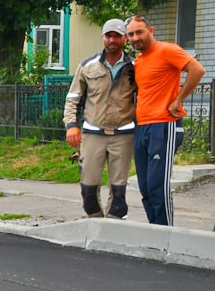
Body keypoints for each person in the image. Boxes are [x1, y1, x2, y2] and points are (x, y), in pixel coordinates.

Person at [125, 15, 206, 226]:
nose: (135, 38)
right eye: (131, 34)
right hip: (142, 127)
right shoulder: (139, 61)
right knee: (144, 186)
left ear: (150, 31)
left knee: (156, 185)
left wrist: (178, 99)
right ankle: (156, 231)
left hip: (164, 125)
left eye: (139, 32)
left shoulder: (167, 50)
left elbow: (197, 70)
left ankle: (166, 235)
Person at [63, 19, 137, 219]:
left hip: (123, 135)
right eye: (108, 36)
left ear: (124, 38)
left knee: (118, 189)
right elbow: (72, 99)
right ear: (103, 37)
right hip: (92, 133)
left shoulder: (134, 67)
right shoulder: (87, 65)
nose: (112, 40)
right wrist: (71, 126)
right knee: (88, 189)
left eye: (117, 36)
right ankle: (94, 222)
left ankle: (114, 225)